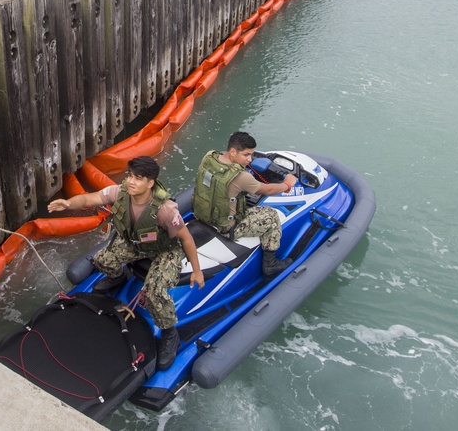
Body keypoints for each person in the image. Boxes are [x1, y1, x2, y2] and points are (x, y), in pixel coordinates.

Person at [48, 156, 204, 371]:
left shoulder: (165, 210)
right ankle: (117, 277)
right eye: (130, 176)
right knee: (102, 260)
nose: (130, 181)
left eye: (138, 178)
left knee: (155, 292)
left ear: (150, 183)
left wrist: (197, 270)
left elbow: (186, 238)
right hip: (136, 243)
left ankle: (170, 332)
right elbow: (89, 199)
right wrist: (68, 203)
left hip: (164, 250)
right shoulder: (119, 193)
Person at [191, 131, 297, 278]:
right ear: (233, 152)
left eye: (251, 155)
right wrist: (287, 185)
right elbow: (268, 190)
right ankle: (270, 264)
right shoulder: (241, 177)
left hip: (203, 216)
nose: (250, 159)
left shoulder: (209, 158)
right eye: (246, 155)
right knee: (272, 216)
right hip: (225, 228)